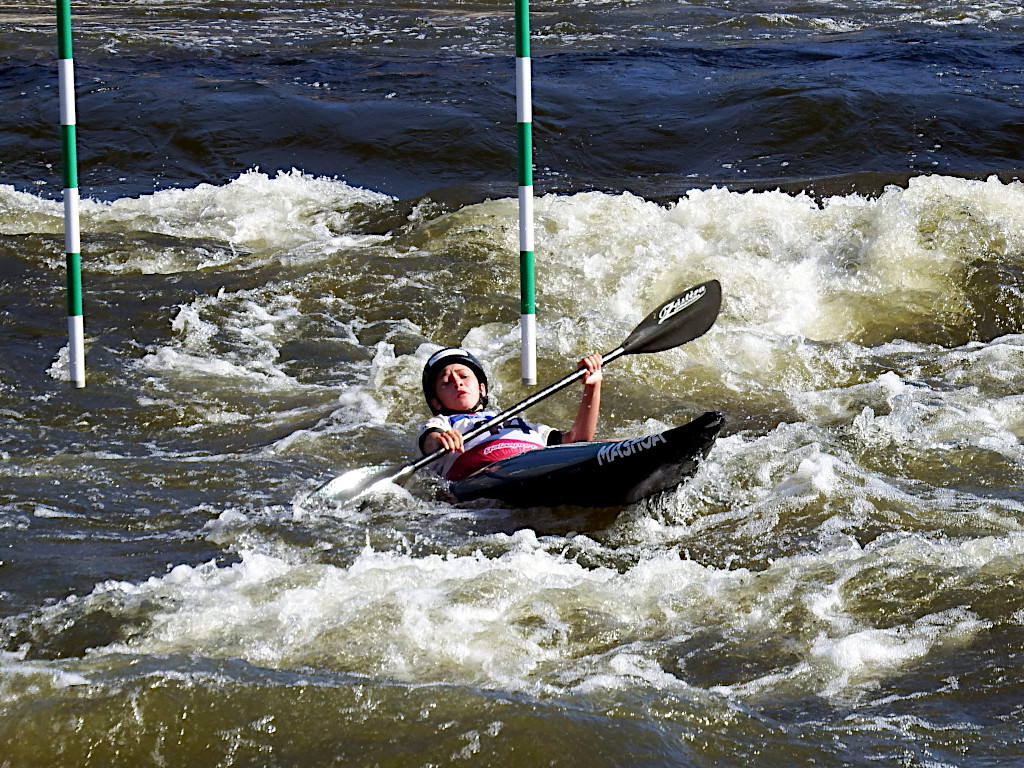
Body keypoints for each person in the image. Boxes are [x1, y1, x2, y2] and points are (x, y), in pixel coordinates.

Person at [417, 347, 603, 481]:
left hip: (538, 462)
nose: (457, 383)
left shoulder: (518, 423)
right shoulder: (442, 423)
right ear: (436, 402)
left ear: (482, 389)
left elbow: (577, 440)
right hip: (485, 474)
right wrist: (441, 439)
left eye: (464, 376)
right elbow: (429, 440)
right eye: (446, 382)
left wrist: (593, 387)